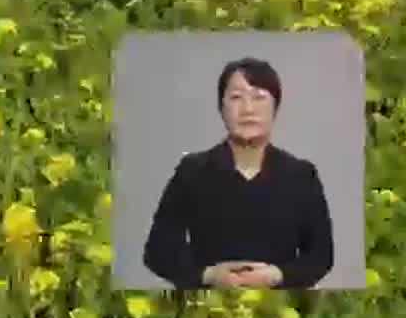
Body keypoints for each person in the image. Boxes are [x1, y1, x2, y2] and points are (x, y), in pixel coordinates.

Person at [143, 57, 334, 290]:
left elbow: (321, 256)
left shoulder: (301, 175)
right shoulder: (193, 171)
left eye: (259, 97)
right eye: (236, 98)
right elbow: (157, 251)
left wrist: (277, 276)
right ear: (221, 108)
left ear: (276, 107)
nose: (248, 109)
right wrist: (209, 276)